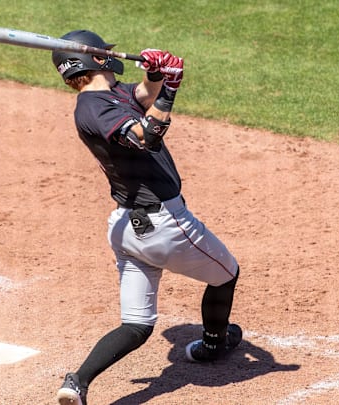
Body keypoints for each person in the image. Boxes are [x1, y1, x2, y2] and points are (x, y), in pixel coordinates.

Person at [51, 30, 241, 405]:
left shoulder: (109, 95)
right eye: (104, 51)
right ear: (97, 60)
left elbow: (141, 98)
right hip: (165, 225)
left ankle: (77, 381)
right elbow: (144, 135)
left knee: (137, 325)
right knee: (226, 273)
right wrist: (172, 88)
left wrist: (156, 75)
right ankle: (212, 345)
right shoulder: (92, 109)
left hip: (125, 229)